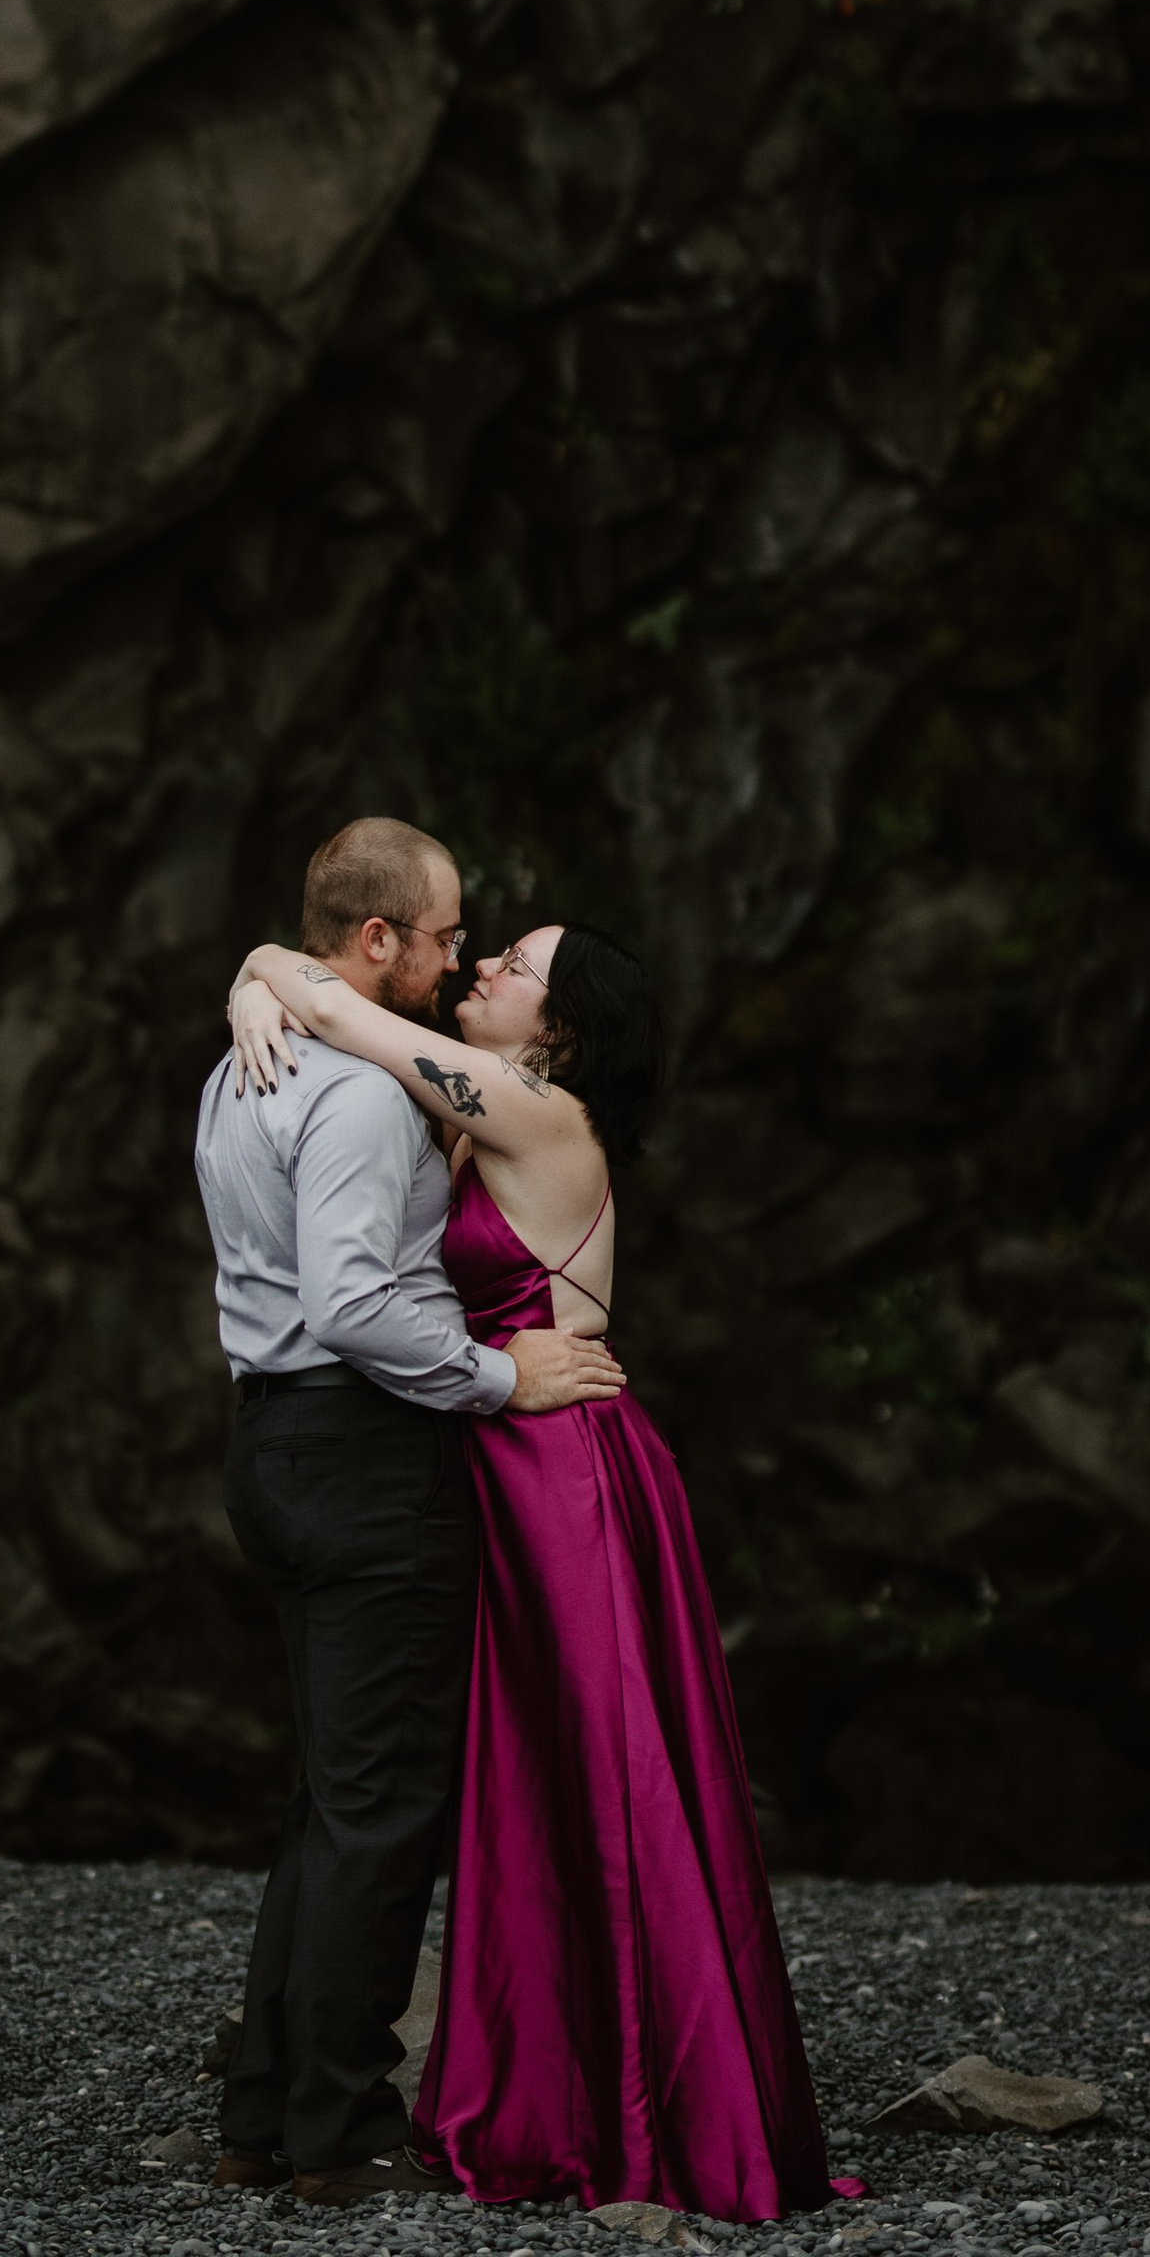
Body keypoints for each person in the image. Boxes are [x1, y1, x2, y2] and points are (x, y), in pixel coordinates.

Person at [226, 911, 834, 2225]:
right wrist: (259, 980)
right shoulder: (477, 1107)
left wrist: (268, 974)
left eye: (518, 966)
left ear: (559, 1029)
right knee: (513, 1786)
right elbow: (341, 1016)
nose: (487, 963)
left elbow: (340, 1010)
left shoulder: (532, 1109)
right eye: (490, 948)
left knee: (597, 1781)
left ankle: (634, 2105)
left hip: (562, 1469)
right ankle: (535, 2085)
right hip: (494, 1458)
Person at [192, 815, 627, 2209]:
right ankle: (340, 2126)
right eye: (446, 937)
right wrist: (500, 1375)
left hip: (269, 1442)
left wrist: (268, 970)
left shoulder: (240, 1062)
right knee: (381, 1815)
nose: (457, 962)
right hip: (368, 1455)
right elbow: (356, 1303)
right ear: (376, 939)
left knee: (330, 1799)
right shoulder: (375, 1094)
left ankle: (262, 2112)